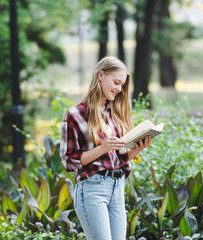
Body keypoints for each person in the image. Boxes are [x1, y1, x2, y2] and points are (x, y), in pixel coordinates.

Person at [60, 56, 151, 240]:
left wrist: (136, 150)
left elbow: (120, 160)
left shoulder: (114, 114)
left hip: (117, 188)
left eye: (122, 85)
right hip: (92, 189)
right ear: (101, 75)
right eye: (116, 82)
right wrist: (103, 148)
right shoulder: (75, 115)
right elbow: (68, 161)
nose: (119, 89)